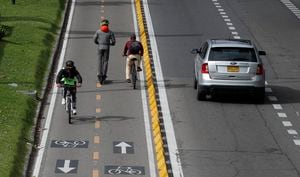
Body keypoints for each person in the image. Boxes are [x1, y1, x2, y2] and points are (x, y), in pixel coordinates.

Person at [93, 18, 116, 84]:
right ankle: (104, 75)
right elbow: (114, 41)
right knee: (105, 61)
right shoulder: (110, 32)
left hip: (100, 47)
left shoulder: (98, 31)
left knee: (99, 61)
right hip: (107, 47)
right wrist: (111, 44)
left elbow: (94, 39)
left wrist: (97, 42)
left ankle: (99, 74)